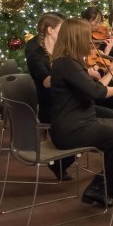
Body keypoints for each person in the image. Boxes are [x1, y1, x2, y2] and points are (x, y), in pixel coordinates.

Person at [49, 18, 113, 206]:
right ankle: (99, 188)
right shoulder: (67, 64)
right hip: (71, 128)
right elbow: (96, 92)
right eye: (87, 37)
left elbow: (94, 87)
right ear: (77, 38)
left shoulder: (69, 62)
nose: (91, 41)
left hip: (78, 119)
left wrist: (112, 71)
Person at [25, 12, 73, 181]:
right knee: (87, 123)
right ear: (50, 30)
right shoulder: (36, 55)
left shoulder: (59, 49)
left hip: (65, 101)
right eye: (62, 28)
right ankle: (58, 162)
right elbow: (46, 81)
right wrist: (70, 74)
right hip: (51, 106)